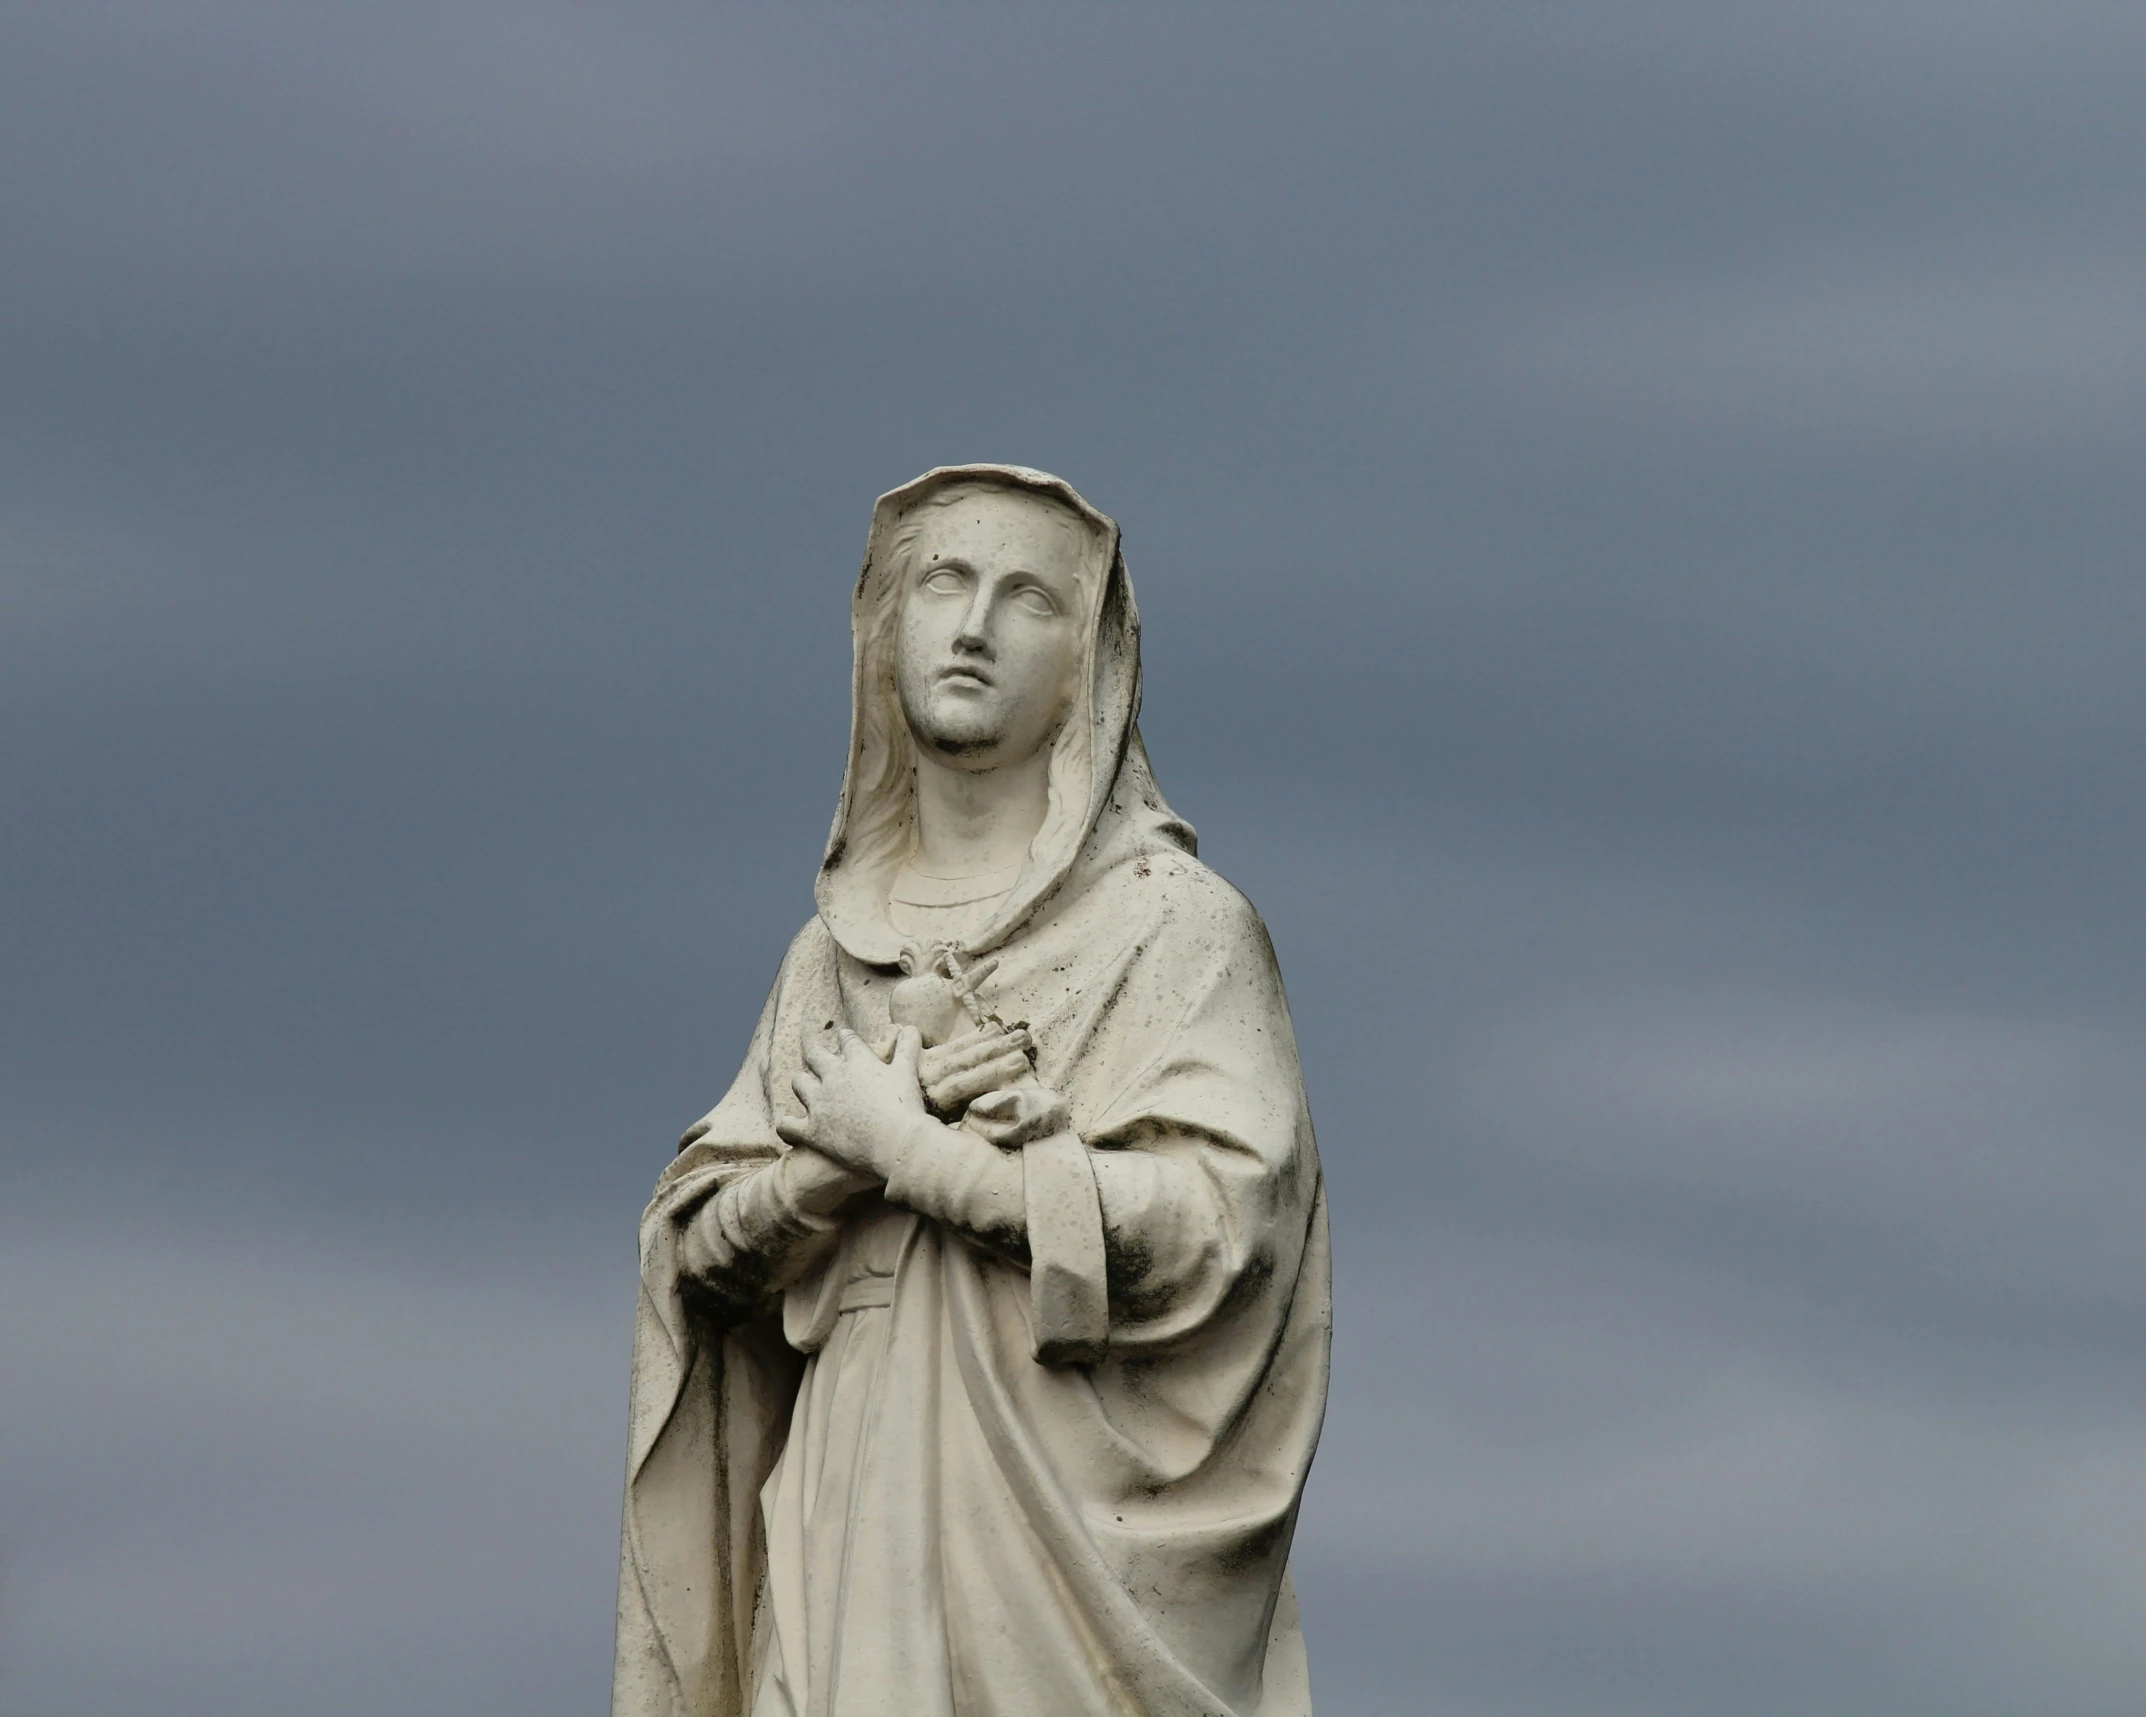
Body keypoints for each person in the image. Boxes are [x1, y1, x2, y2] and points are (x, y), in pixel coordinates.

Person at [612, 465, 1330, 1717]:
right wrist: (828, 1170)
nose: (975, 625)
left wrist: (933, 1158)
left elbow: (1226, 1231)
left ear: (1086, 666)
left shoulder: (1171, 933)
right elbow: (699, 1259)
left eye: (1027, 598)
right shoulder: (826, 956)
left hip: (1061, 1550)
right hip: (848, 1505)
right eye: (942, 583)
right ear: (884, 629)